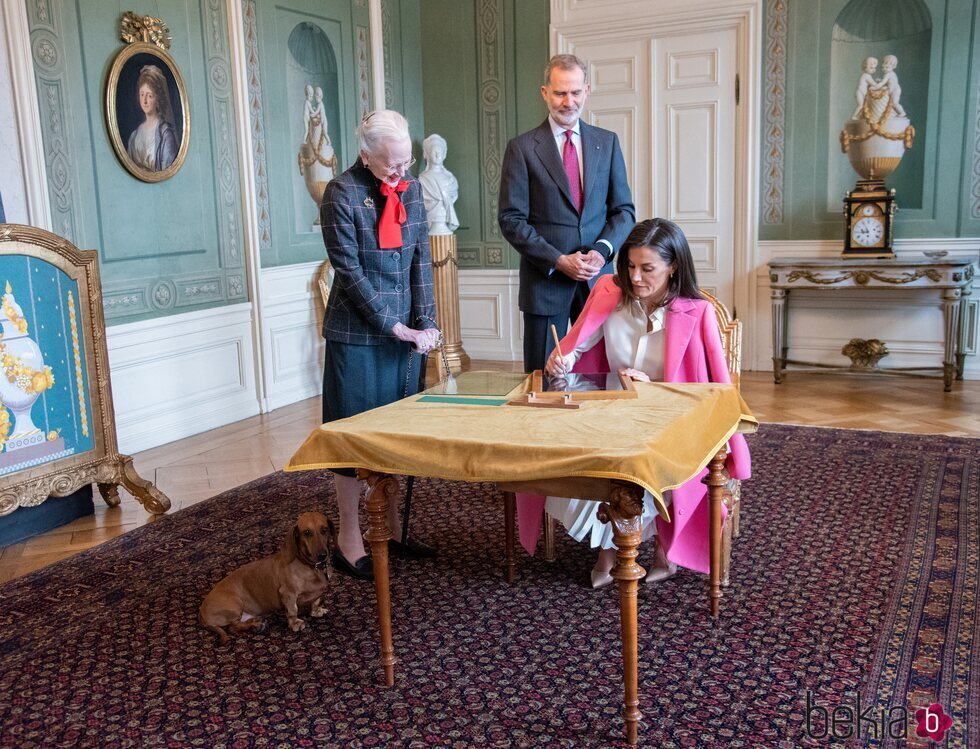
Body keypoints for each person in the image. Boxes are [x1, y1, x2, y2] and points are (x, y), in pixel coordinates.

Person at [542, 218, 751, 588]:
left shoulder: (696, 311)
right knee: (582, 458)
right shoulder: (608, 290)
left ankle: (662, 552)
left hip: (670, 422)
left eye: (647, 269)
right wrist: (562, 361)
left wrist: (654, 387)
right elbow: (578, 343)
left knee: (651, 461)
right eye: (630, 266)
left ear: (673, 268)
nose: (635, 277)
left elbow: (712, 388)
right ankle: (609, 550)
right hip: (611, 413)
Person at [319, 109, 441, 580]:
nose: (401, 172)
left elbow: (420, 262)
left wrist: (425, 322)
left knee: (394, 437)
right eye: (392, 164)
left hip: (404, 335)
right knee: (354, 440)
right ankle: (350, 540)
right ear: (365, 155)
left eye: (406, 161)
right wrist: (395, 327)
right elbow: (347, 273)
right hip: (358, 337)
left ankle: (389, 529)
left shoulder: (410, 190)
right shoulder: (341, 194)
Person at [498, 54, 634, 373]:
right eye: (560, 93)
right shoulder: (521, 148)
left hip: (599, 285)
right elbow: (511, 219)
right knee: (544, 381)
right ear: (545, 92)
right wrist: (557, 260)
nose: (568, 101)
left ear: (586, 91)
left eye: (575, 92)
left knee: (602, 378)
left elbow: (624, 211)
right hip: (546, 286)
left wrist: (602, 252)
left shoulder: (608, 143)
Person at [126, 65, 178, 172]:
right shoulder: (134, 136)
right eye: (142, 95)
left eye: (149, 96)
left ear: (158, 98)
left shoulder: (165, 134)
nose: (144, 101)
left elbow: (167, 171)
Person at [418, 134, 459, 235]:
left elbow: (453, 195)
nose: (437, 155)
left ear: (444, 154)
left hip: (445, 227)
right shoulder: (423, 179)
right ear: (427, 154)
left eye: (439, 152)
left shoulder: (451, 179)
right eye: (434, 152)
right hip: (431, 226)